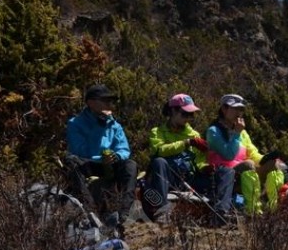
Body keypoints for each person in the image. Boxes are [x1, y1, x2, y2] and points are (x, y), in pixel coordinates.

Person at [65, 84, 136, 232]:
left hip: (110, 164)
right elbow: (79, 150)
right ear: (90, 103)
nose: (109, 104)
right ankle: (90, 211)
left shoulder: (114, 125)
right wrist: (99, 126)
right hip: (89, 163)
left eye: (110, 101)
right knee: (71, 163)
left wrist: (116, 156)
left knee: (130, 165)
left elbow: (124, 149)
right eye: (105, 100)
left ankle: (123, 214)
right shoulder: (75, 123)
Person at [143, 93, 210, 223]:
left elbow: (199, 159)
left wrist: (205, 167)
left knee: (222, 174)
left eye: (191, 115)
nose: (188, 118)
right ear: (173, 111)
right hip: (167, 178)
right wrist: (186, 143)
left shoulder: (193, 134)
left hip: (188, 178)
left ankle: (223, 212)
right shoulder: (157, 132)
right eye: (185, 114)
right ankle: (161, 211)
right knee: (159, 162)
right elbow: (159, 151)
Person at [204, 94, 263, 219]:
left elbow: (252, 153)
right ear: (224, 109)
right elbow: (228, 155)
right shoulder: (213, 131)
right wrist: (236, 133)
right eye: (235, 108)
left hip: (241, 171)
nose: (239, 112)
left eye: (241, 109)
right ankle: (251, 211)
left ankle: (269, 211)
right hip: (222, 173)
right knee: (249, 165)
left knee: (275, 168)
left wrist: (267, 160)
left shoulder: (242, 132)